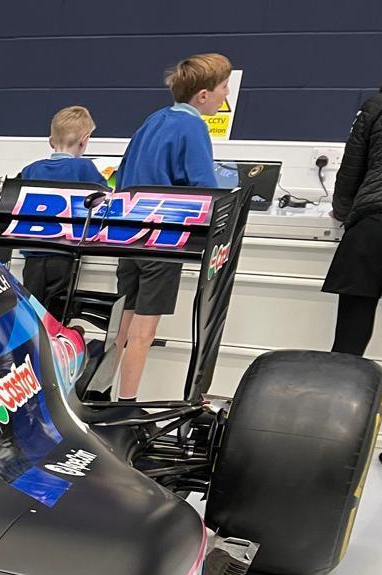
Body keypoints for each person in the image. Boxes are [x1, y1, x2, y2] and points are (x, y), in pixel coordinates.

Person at [111, 53, 231, 402]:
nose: (226, 95)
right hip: (163, 237)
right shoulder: (194, 126)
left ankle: (99, 395)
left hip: (127, 234)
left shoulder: (153, 120)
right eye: (224, 88)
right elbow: (205, 189)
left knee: (123, 326)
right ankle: (126, 407)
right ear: (203, 95)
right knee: (143, 334)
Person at [19, 106, 108, 315]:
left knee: (32, 311)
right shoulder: (84, 168)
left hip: (32, 255)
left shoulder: (31, 169)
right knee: (57, 312)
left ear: (51, 141)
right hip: (63, 252)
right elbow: (105, 198)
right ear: (84, 140)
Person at [324, 73, 382, 358]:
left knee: (350, 337)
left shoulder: (376, 106)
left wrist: (342, 211)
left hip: (373, 224)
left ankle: (341, 397)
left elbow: (351, 168)